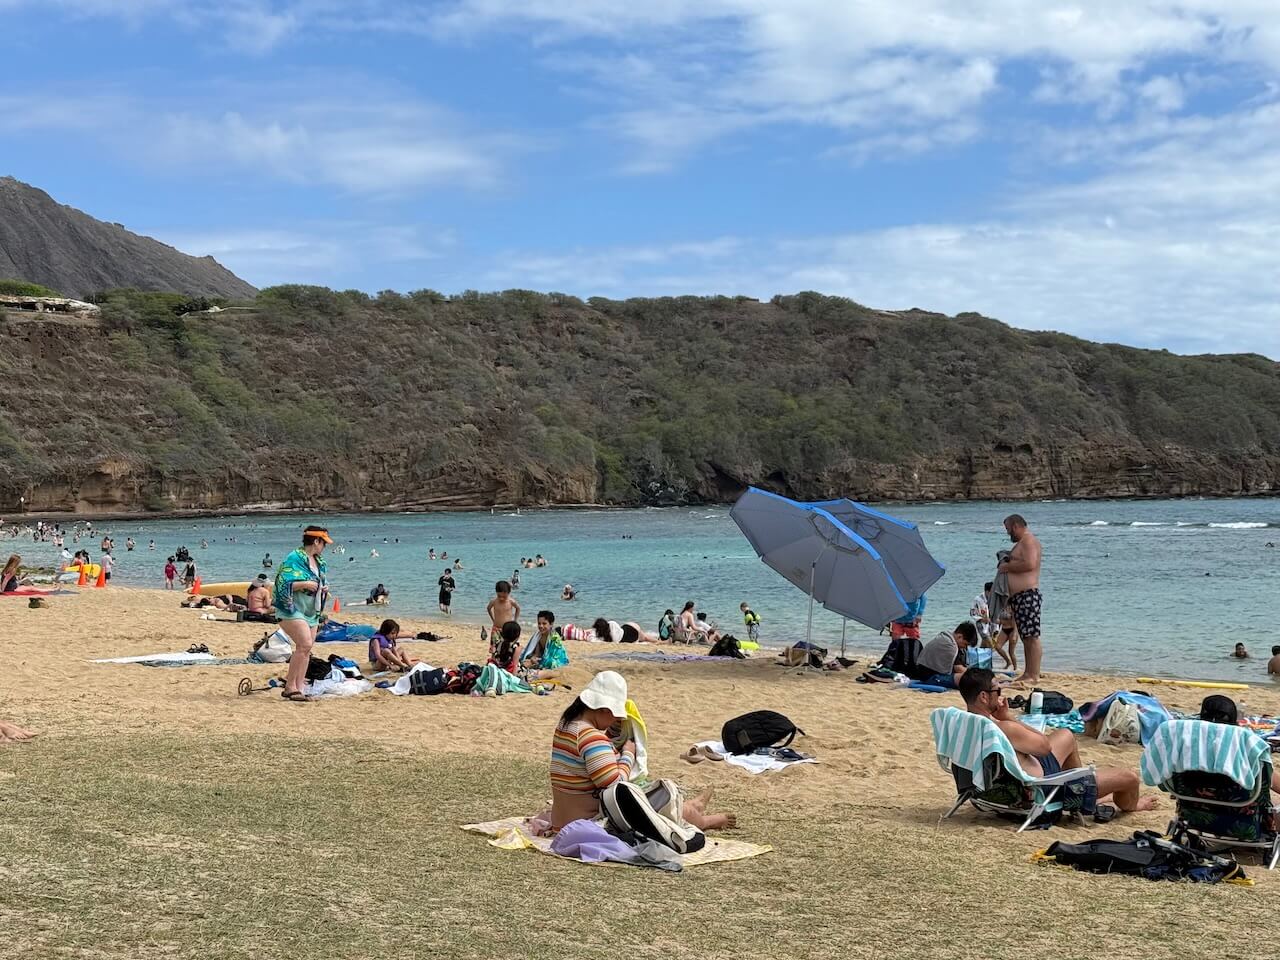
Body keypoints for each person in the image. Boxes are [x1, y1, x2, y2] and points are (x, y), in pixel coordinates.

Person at [549, 671, 735, 832]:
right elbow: (615, 786)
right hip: (588, 822)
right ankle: (702, 821)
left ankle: (694, 807)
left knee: (653, 800)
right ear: (604, 709)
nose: (615, 720)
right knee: (658, 805)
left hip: (562, 819)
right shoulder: (592, 738)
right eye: (615, 715)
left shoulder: (567, 726)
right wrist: (628, 755)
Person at [959, 668, 1157, 813]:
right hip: (1036, 789)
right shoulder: (1003, 729)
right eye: (998, 692)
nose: (1002, 696)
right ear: (984, 697)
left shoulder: (965, 724)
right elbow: (1043, 745)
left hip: (997, 785)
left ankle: (1085, 788)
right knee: (1130, 778)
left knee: (1066, 735)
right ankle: (1129, 805)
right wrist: (1009, 718)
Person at [275, 526, 333, 702]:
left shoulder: (319, 562)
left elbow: (319, 580)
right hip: (291, 609)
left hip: (311, 610)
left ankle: (300, 688)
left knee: (307, 649)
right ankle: (289, 687)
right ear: (316, 541)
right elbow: (281, 583)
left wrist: (323, 588)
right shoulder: (294, 557)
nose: (325, 547)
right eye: (324, 543)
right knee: (304, 644)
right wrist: (304, 584)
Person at [1199, 695, 1280, 794]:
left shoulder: (1185, 748)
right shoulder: (1246, 750)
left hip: (1191, 804)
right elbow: (1272, 782)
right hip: (1238, 807)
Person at [1000, 515, 1044, 685]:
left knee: (1031, 636)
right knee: (1027, 636)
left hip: (1027, 594)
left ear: (1016, 525)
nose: (1008, 533)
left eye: (1008, 529)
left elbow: (1030, 564)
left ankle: (1033, 674)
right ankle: (1029, 672)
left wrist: (1007, 566)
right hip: (1020, 597)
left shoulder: (1028, 541)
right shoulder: (1022, 544)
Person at [910, 622, 977, 688]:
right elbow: (958, 668)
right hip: (930, 677)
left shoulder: (946, 637)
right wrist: (977, 676)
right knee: (966, 678)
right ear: (960, 636)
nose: (965, 648)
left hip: (923, 672)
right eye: (965, 644)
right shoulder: (950, 646)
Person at [486, 581, 520, 648]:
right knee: (494, 646)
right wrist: (493, 619)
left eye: (504, 597)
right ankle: (493, 658)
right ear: (496, 592)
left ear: (508, 593)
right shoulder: (494, 601)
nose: (501, 598)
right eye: (499, 596)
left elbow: (518, 608)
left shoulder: (511, 601)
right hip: (496, 628)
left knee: (507, 646)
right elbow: (488, 608)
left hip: (507, 629)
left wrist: (515, 621)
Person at [592, 617, 658, 644]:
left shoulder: (607, 638)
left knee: (645, 638)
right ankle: (657, 639)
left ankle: (658, 641)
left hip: (632, 633)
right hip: (629, 627)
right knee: (645, 637)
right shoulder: (612, 623)